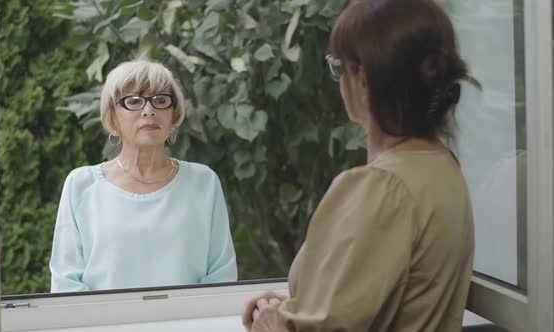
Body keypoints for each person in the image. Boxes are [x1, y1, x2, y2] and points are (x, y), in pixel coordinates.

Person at [242, 0, 479, 331]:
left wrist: (271, 323)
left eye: (338, 67)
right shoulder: (443, 169)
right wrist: (298, 314)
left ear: (364, 78)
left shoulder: (382, 187)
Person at [49, 59, 237, 292]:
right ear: (112, 116)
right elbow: (66, 284)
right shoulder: (81, 185)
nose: (149, 110)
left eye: (160, 100)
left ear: (173, 114)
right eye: (134, 101)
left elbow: (221, 278)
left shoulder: (204, 182)